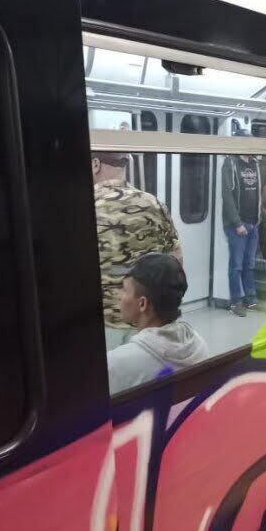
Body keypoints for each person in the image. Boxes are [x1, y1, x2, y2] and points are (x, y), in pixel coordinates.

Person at [93, 151, 182, 335]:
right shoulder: (153, 203)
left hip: (106, 324)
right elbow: (176, 260)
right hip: (150, 321)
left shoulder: (85, 206)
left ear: (95, 164)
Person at [106, 253, 209, 395]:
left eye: (124, 289)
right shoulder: (198, 344)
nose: (119, 295)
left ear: (142, 303)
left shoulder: (116, 363)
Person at [221, 152, 261, 316]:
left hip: (252, 222)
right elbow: (227, 195)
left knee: (249, 265)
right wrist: (237, 223)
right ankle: (236, 302)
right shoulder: (231, 163)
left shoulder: (255, 164)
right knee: (236, 266)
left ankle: (250, 299)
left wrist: (258, 220)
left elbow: (258, 192)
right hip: (238, 223)